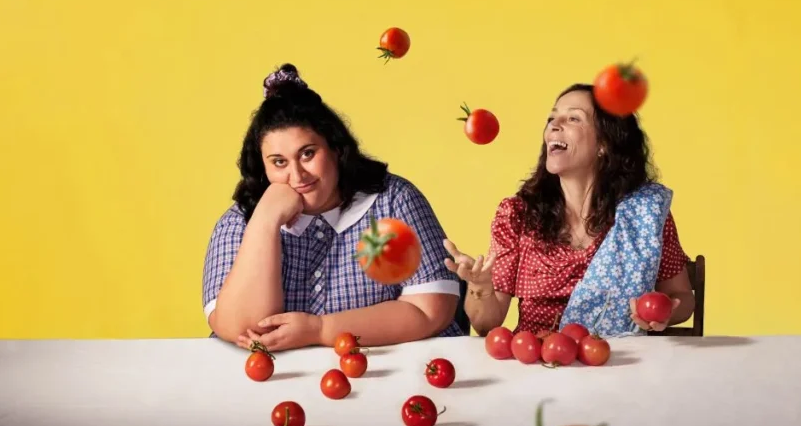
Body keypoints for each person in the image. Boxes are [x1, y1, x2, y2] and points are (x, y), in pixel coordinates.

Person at [202, 63, 464, 350]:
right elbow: (243, 330)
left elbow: (431, 310)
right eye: (279, 162)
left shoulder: (394, 200)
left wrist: (320, 329)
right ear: (264, 168)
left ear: (336, 149)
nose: (297, 175)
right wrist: (266, 220)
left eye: (308, 154)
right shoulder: (239, 222)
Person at [444, 82, 695, 337]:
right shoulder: (517, 215)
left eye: (573, 118)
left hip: (617, 362)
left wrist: (665, 312)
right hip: (540, 362)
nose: (554, 125)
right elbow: (486, 324)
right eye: (552, 118)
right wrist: (480, 287)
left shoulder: (643, 214)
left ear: (604, 144)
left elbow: (682, 297)